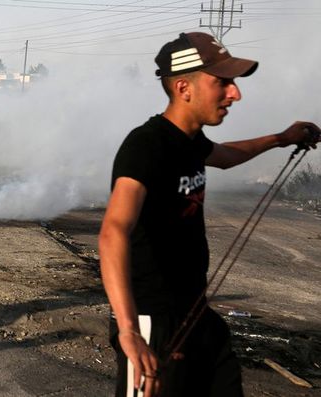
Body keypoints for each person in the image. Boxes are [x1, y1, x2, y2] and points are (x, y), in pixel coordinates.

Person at [99, 32, 320, 397]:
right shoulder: (146, 145)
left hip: (196, 313)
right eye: (223, 82)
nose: (235, 93)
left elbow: (226, 156)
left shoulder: (190, 142)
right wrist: (129, 331)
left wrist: (282, 138)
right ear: (184, 87)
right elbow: (113, 232)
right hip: (153, 322)